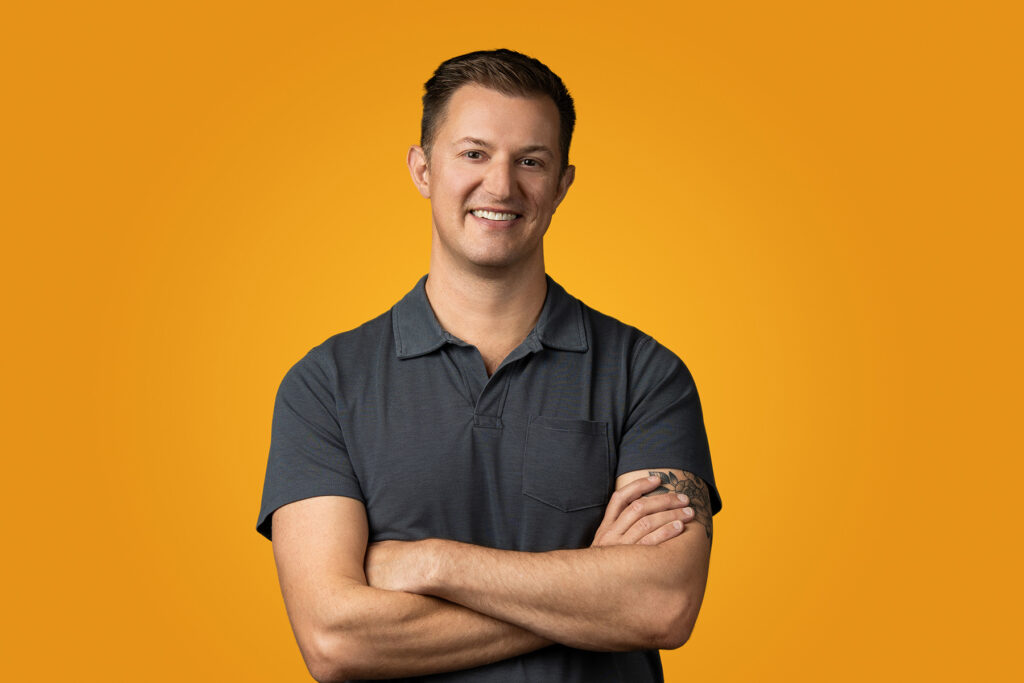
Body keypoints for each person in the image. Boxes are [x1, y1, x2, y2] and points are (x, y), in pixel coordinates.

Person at [256, 48, 722, 682]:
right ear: (422, 169)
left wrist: (433, 565)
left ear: (562, 184)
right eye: (473, 154)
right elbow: (335, 641)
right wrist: (592, 593)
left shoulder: (647, 375)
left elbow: (661, 605)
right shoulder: (325, 386)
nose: (501, 186)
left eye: (531, 161)